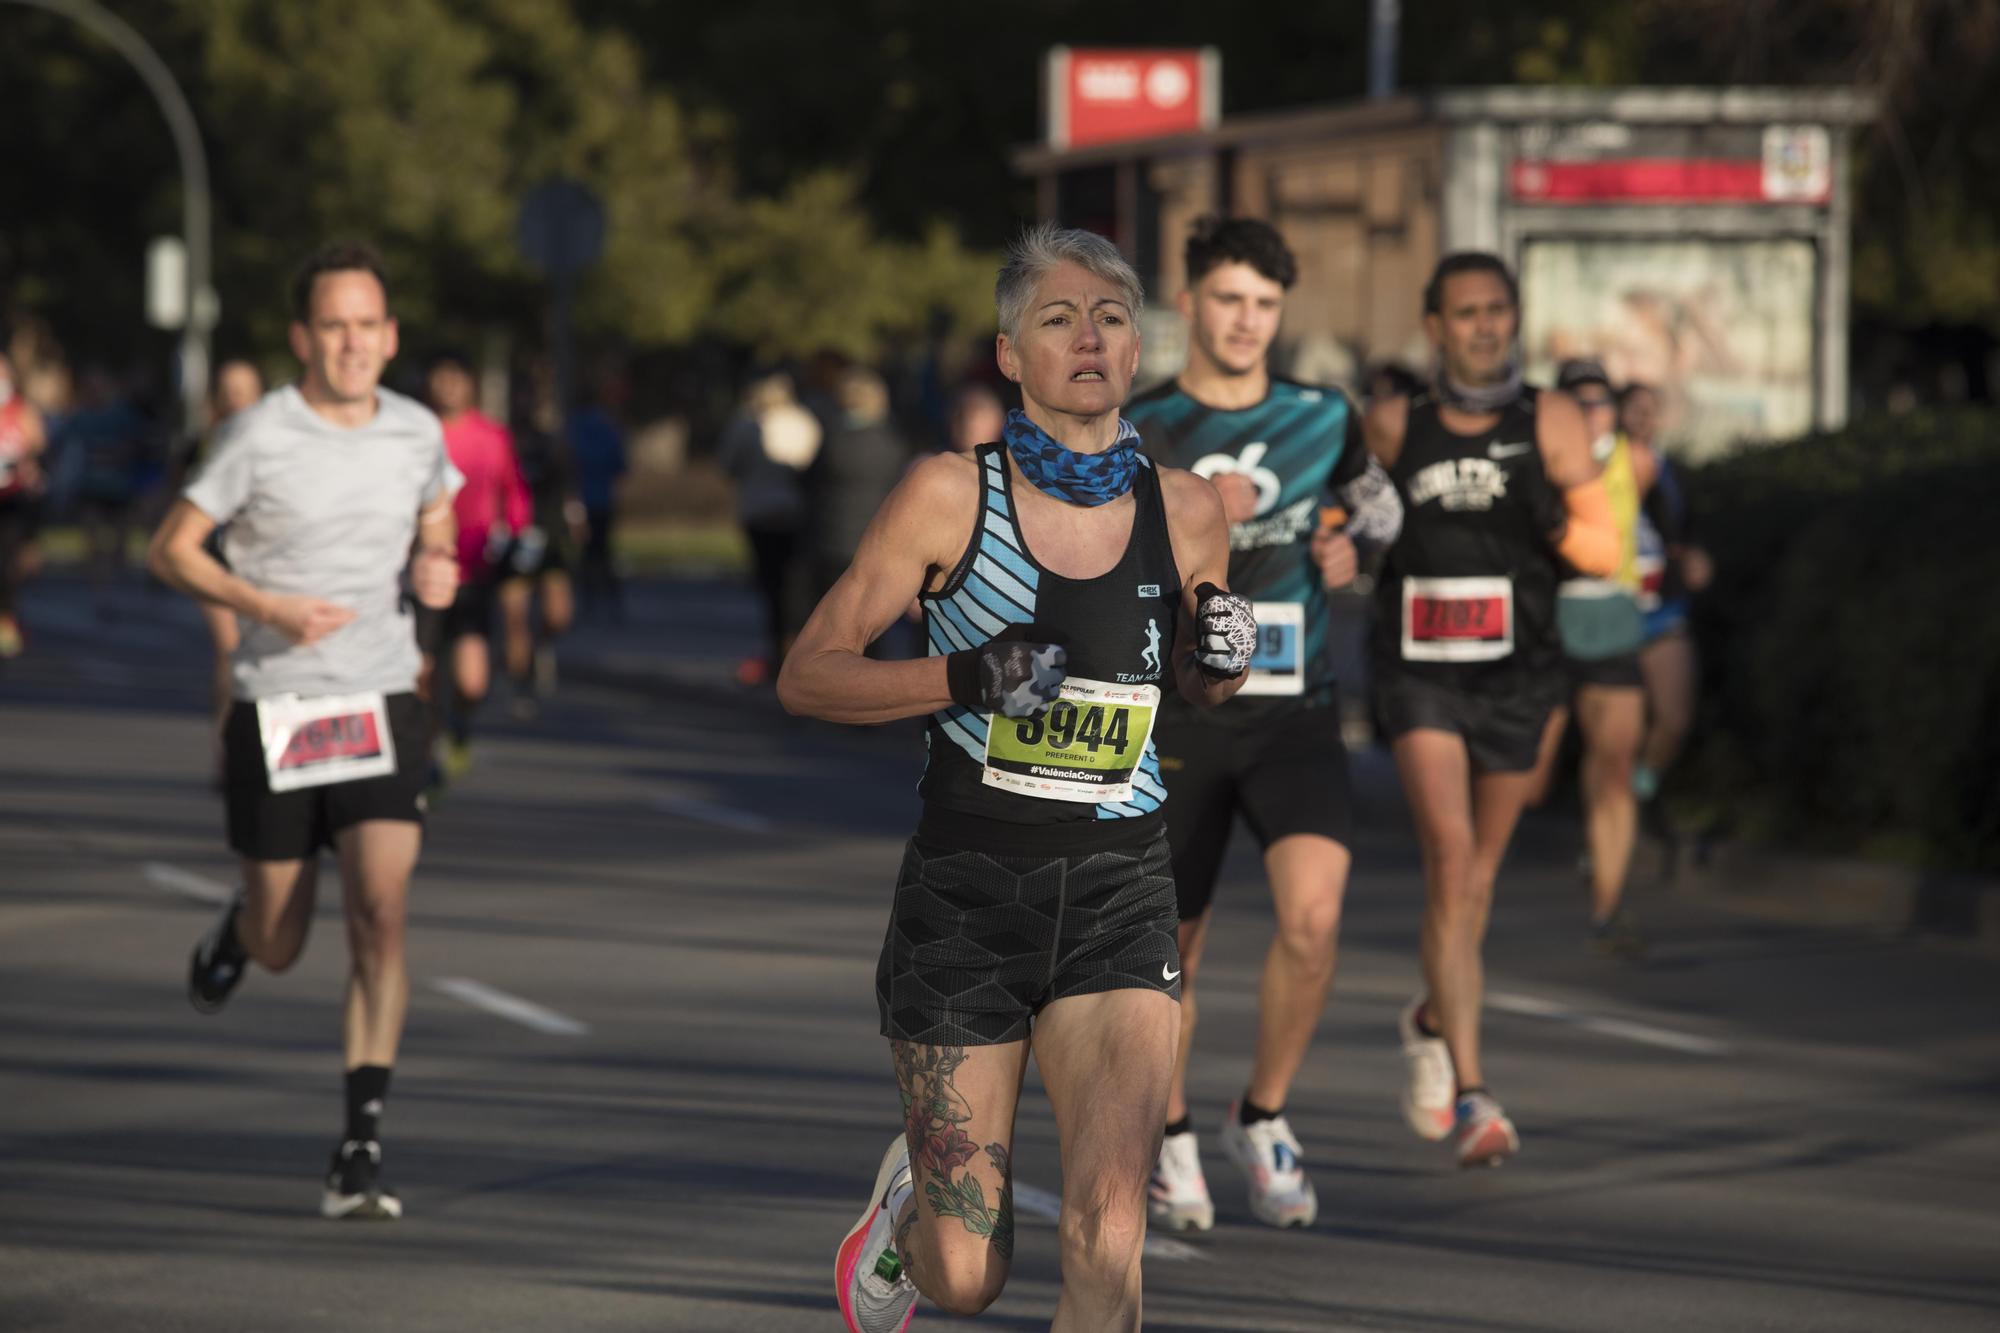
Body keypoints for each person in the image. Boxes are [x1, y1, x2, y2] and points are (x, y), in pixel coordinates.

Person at [780, 223, 1253, 1331]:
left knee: (1108, 1227)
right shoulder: (948, 495)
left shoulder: (1187, 511)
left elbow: (1194, 683)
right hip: (964, 903)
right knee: (966, 1275)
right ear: (1009, 355)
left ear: (1137, 350)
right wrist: (962, 674)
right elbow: (808, 674)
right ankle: (906, 1220)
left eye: (1110, 318)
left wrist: (1220, 658)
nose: (1087, 338)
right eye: (1057, 318)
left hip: (1119, 892)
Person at [147, 241, 461, 1220]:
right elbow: (171, 548)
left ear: (390, 335)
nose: (352, 342)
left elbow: (438, 520)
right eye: (333, 325)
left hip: (377, 701)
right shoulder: (259, 432)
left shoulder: (415, 431)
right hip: (278, 706)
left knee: (380, 907)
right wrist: (262, 604)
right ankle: (238, 932)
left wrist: (437, 570)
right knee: (282, 938)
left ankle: (360, 1141)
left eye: (368, 324)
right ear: (302, 337)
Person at [1124, 217, 1403, 1231]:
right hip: (1177, 714)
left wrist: (1355, 552)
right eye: (1229, 299)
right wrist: (1197, 512)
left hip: (1294, 708)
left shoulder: (1321, 416)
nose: (1246, 321)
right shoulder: (1140, 423)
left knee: (1314, 921)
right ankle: (1166, 1136)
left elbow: (1379, 510)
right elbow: (1092, 550)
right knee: (1172, 952)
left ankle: (1264, 1112)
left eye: (1265, 305)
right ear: (1190, 300)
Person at [1365, 252, 1618, 1168]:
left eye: (1499, 311)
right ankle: (1474, 1091)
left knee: (1476, 885)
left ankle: (1432, 1013)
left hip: (1520, 673)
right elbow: (1350, 527)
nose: (1485, 326)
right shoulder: (1394, 423)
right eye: (1467, 312)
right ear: (1434, 325)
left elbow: (1604, 546)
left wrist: (1552, 514)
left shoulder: (1548, 417)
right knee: (1451, 853)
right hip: (1421, 668)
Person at [1525, 360, 1650, 957]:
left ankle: (1609, 905)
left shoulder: (1638, 461)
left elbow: (1668, 530)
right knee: (1529, 782)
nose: (1593, 413)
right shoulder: (1537, 461)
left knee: (1616, 768)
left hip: (1612, 623)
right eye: (1579, 403)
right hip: (1548, 625)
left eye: (1601, 401)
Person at [425, 351, 530, 779]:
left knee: (472, 681)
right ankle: (427, 749)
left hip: (474, 572)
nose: (449, 386)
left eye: (457, 377)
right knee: (422, 676)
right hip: (425, 574)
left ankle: (459, 725)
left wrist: (520, 534)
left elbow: (514, 489)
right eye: (441, 377)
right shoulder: (417, 432)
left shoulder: (492, 435)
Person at [1622, 383, 1712, 809]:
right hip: (1614, 610)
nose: (1644, 418)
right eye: (1635, 409)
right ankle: (1606, 811)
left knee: (1674, 718)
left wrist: (1694, 558)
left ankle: (1638, 791)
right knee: (1620, 729)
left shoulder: (1669, 471)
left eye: (1652, 410)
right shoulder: (1595, 467)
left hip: (1663, 607)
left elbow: (1685, 531)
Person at [185, 359, 269, 765]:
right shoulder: (207, 442)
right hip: (215, 559)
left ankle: (257, 740)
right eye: (228, 390)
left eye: (244, 390)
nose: (236, 399)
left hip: (261, 561)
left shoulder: (275, 438)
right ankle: (227, 744)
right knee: (229, 649)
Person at [720, 373, 820, 684]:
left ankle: (779, 650)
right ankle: (797, 649)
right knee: (796, 586)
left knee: (770, 586)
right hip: (796, 510)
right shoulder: (804, 421)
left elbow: (728, 464)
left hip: (759, 510)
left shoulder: (746, 423)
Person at [498, 382, 583, 708]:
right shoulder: (502, 443)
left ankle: (541, 645)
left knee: (558, 613)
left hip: (550, 536)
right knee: (515, 618)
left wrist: (576, 518)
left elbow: (569, 487)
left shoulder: (552, 443)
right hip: (513, 539)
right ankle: (519, 683)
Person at [807, 367, 911, 609]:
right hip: (876, 539)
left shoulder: (830, 440)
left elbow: (811, 482)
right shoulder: (892, 442)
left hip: (831, 538)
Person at [0, 352, 50, 659]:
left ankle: (7, 617)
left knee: (9, 563)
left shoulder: (20, 409)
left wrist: (30, 463)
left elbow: (39, 445)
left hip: (13, 499)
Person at [569, 391, 627, 621]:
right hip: (603, 499)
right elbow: (621, 466)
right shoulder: (608, 429)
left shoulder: (574, 430)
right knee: (603, 551)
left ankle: (589, 599)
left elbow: (567, 465)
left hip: (580, 501)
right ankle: (611, 599)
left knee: (585, 552)